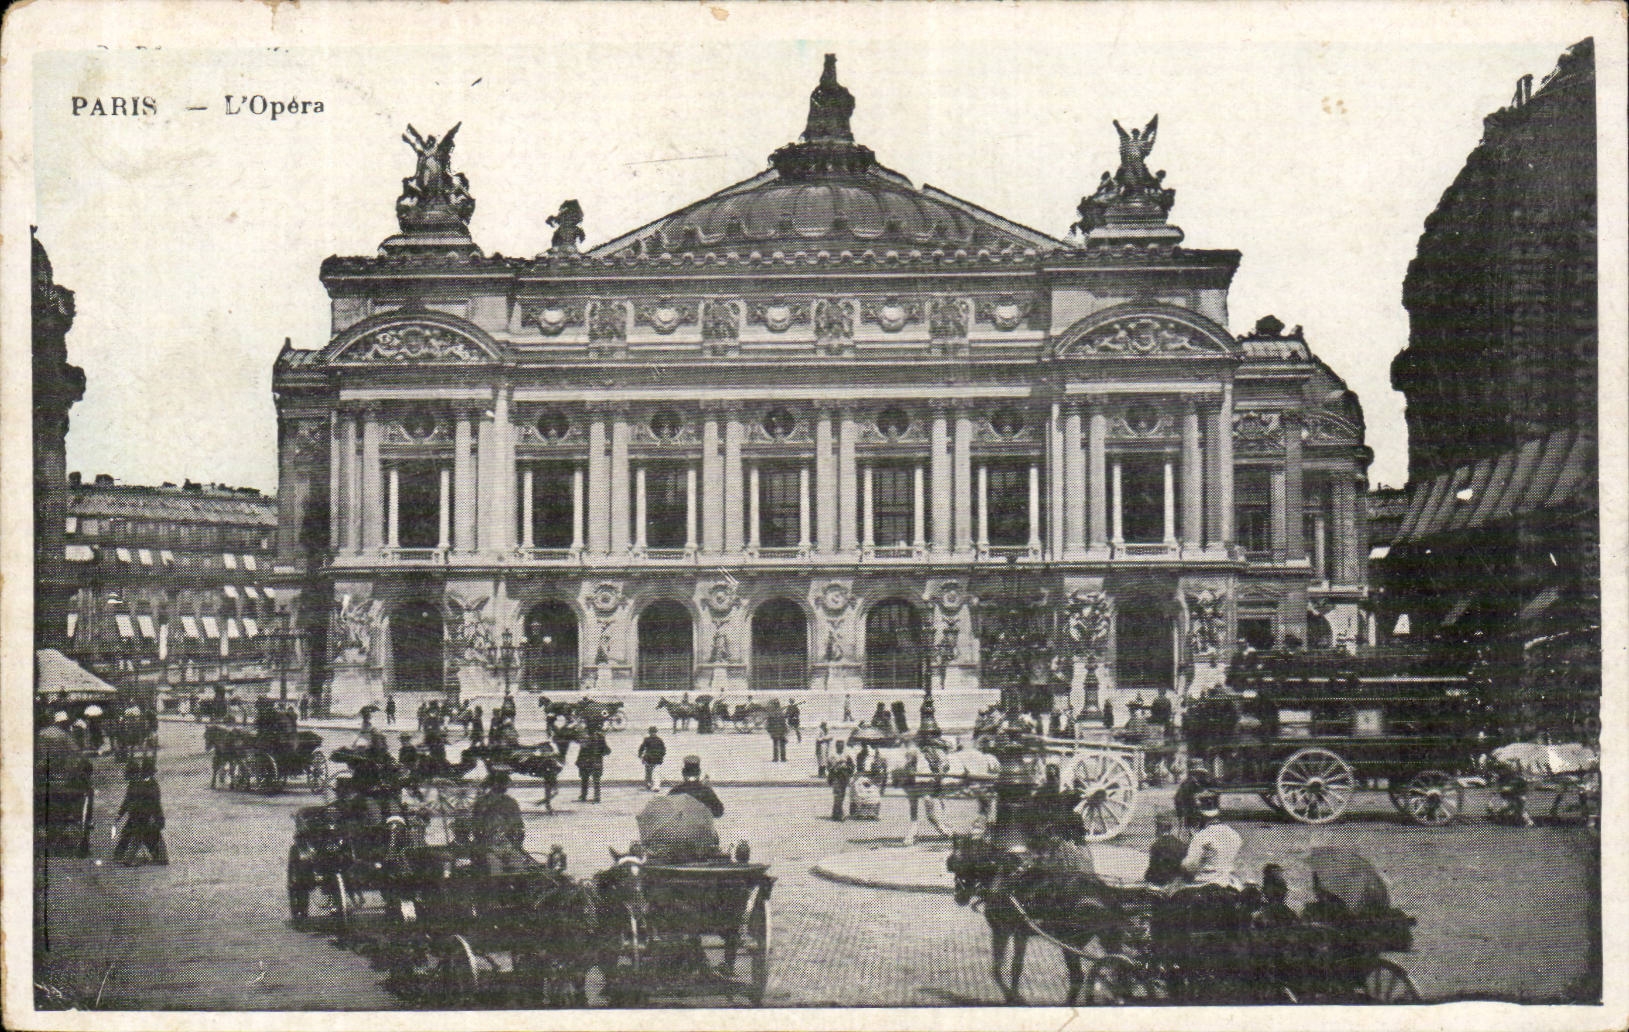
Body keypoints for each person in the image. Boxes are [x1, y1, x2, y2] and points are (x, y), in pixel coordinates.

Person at [471, 769, 534, 872]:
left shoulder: (510, 803)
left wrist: (515, 845)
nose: (506, 787)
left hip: (507, 846)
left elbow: (519, 827)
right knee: (496, 866)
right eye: (504, 784)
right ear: (495, 784)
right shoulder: (482, 803)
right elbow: (477, 830)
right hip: (489, 847)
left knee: (518, 865)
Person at [1180, 790, 1242, 890]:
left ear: (1202, 816)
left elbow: (1190, 866)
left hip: (1204, 883)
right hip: (1226, 881)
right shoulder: (1234, 835)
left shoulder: (1201, 837)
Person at [114, 758, 168, 866]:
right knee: (144, 837)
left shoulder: (141, 784)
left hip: (141, 816)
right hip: (144, 817)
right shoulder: (148, 784)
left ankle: (125, 858)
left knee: (140, 837)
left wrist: (121, 814)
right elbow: (153, 804)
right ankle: (126, 858)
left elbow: (131, 801)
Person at [1144, 813, 1188, 886]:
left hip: (1161, 879)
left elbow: (1152, 866)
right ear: (1170, 828)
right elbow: (1184, 860)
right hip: (1176, 876)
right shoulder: (1180, 844)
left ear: (1159, 829)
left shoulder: (1155, 845)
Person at [1174, 760, 1213, 834]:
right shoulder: (1189, 782)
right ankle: (1194, 831)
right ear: (1195, 773)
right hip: (1189, 808)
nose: (1201, 775)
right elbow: (1181, 797)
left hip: (1193, 807)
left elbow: (1202, 793)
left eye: (1202, 773)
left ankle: (1198, 829)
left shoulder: (1198, 782)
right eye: (1199, 773)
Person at [576, 726, 609, 803]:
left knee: (585, 779)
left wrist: (579, 760)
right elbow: (606, 751)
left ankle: (584, 796)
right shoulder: (600, 738)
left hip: (586, 762)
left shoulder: (585, 738)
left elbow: (582, 751)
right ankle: (596, 797)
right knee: (596, 780)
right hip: (595, 762)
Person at [827, 741, 855, 822]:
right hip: (835, 777)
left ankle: (835, 814)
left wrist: (846, 767)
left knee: (841, 796)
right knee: (837, 795)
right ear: (836, 746)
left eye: (842, 746)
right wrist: (834, 767)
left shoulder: (846, 756)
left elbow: (852, 766)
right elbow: (828, 767)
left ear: (843, 747)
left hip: (844, 778)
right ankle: (840, 814)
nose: (840, 747)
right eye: (839, 746)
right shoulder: (832, 756)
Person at [638, 726, 667, 790]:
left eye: (653, 732)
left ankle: (655, 786)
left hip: (654, 759)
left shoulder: (649, 740)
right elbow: (642, 748)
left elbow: (663, 750)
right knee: (649, 772)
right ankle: (650, 785)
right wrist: (640, 755)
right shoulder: (657, 740)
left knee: (654, 772)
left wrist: (640, 755)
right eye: (652, 732)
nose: (652, 733)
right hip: (650, 759)